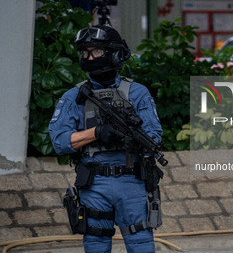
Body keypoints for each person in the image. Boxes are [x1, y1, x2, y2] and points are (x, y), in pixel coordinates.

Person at [49, 25, 163, 253]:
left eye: (96, 52)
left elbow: (154, 135)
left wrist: (135, 142)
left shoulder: (136, 93)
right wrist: (97, 133)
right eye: (85, 52)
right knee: (96, 243)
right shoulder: (74, 97)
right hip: (94, 181)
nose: (89, 57)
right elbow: (60, 141)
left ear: (115, 54)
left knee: (140, 242)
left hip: (131, 178)